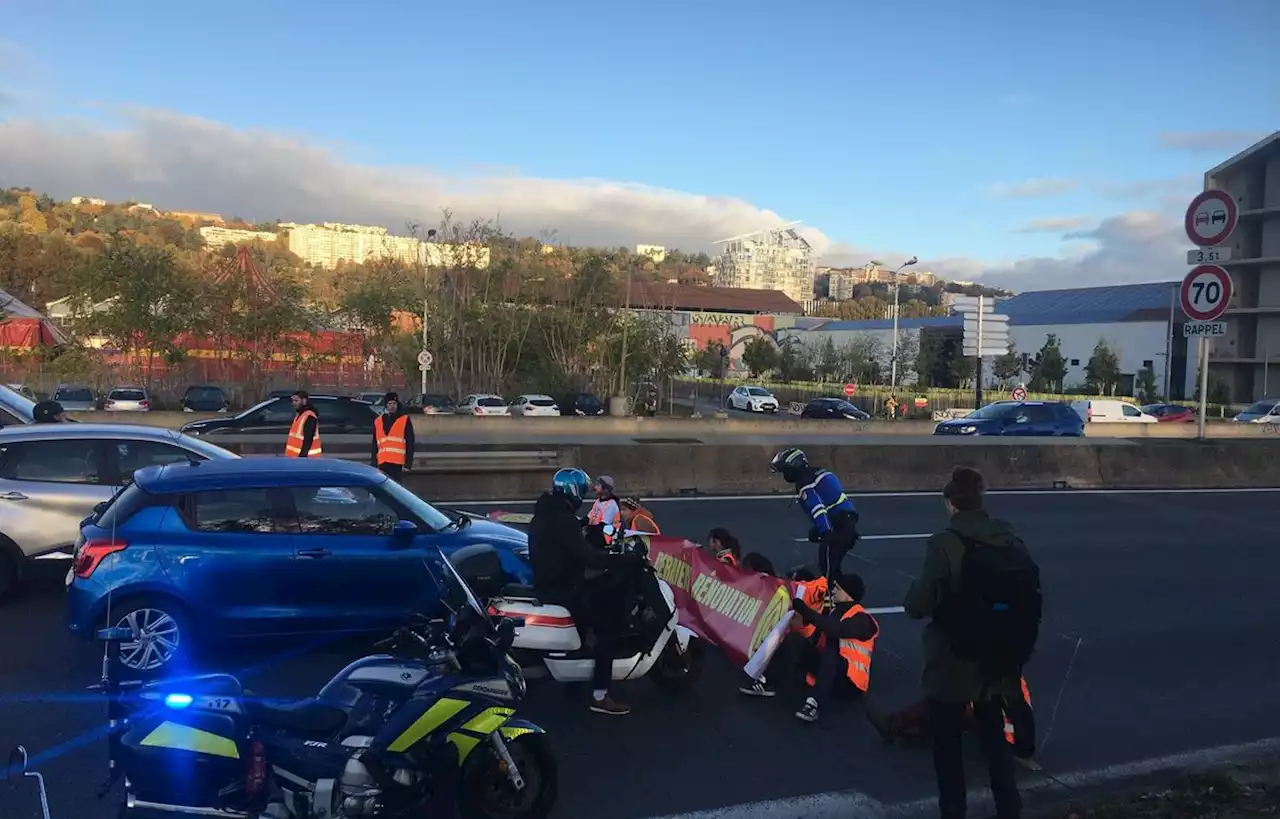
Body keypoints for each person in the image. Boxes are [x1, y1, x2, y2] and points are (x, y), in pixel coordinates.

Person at [903, 467, 1041, 819]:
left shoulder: (945, 544)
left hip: (953, 658)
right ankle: (1010, 810)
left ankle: (954, 813)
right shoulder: (1009, 537)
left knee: (947, 749)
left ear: (950, 504)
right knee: (994, 741)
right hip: (997, 656)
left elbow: (919, 605)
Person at [528, 468, 642, 716]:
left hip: (550, 583)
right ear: (573, 491)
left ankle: (575, 679)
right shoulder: (563, 520)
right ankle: (600, 694)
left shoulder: (547, 513)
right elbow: (589, 558)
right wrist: (622, 560)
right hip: (564, 589)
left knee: (588, 613)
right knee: (609, 629)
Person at [739, 571, 878, 723]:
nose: (833, 591)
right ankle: (768, 682)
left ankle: (814, 703)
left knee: (831, 653)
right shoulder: (835, 612)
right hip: (829, 674)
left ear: (848, 595)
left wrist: (804, 609)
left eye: (838, 588)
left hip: (849, 684)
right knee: (795, 640)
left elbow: (836, 629)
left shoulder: (863, 620)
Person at [769, 447, 858, 582]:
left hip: (838, 525)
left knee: (828, 570)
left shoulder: (805, 483)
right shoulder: (818, 474)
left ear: (794, 467)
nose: (785, 475)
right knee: (830, 566)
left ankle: (835, 598)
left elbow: (818, 508)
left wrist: (825, 531)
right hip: (845, 522)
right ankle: (837, 594)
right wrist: (818, 529)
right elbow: (831, 502)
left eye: (786, 471)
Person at [370, 392, 415, 482]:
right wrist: (374, 463)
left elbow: (410, 442)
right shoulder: (378, 421)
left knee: (396, 489)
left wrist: (408, 464)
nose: (392, 406)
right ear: (386, 405)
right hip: (382, 463)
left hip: (397, 464)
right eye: (389, 404)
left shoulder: (404, 419)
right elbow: (374, 444)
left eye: (394, 403)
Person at [586, 474, 622, 545]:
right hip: (593, 537)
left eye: (598, 485)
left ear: (605, 489)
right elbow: (589, 517)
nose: (595, 487)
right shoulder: (598, 501)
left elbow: (603, 526)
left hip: (604, 542)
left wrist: (586, 529)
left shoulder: (611, 505)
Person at [285, 390, 321, 458]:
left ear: (304, 401)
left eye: (296, 401)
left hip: (307, 459)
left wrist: (302, 457)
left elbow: (308, 439)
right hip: (295, 457)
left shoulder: (309, 416)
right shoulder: (300, 415)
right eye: (292, 401)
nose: (293, 403)